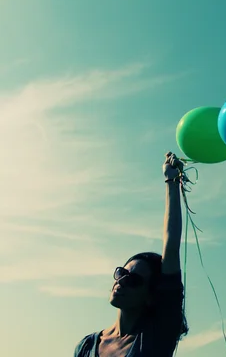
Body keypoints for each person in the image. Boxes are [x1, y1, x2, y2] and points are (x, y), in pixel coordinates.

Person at [74, 152, 189, 357]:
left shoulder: (157, 336)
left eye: (135, 280)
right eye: (121, 273)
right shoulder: (86, 346)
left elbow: (171, 247)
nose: (122, 282)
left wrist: (171, 181)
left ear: (151, 296)